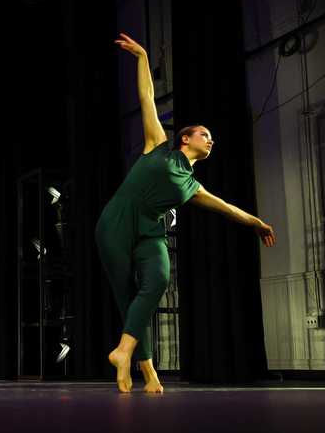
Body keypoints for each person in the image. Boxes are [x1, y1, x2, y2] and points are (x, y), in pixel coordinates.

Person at [96, 34, 276, 393]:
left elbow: (226, 208)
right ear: (185, 138)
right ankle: (147, 371)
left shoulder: (192, 184)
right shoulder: (158, 146)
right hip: (117, 221)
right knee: (127, 296)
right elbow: (148, 96)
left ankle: (124, 352)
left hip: (151, 231)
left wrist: (256, 221)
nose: (211, 140)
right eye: (205, 135)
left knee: (158, 281)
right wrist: (144, 56)